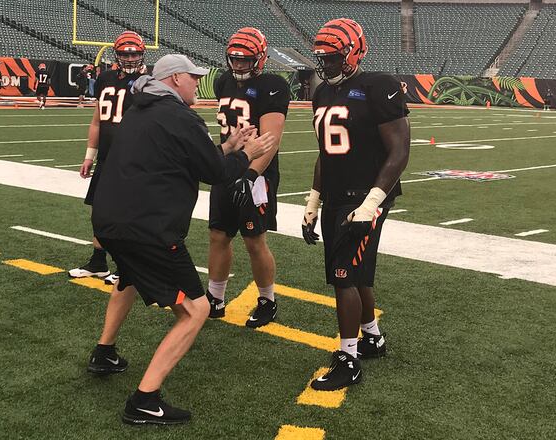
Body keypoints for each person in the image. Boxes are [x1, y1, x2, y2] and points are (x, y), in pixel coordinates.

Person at [87, 54, 276, 425]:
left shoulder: (142, 109)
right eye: (192, 78)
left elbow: (193, 159)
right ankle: (145, 398)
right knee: (196, 309)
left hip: (110, 221)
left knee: (127, 279)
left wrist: (231, 145)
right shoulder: (179, 116)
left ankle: (104, 352)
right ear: (174, 80)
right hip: (147, 228)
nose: (197, 84)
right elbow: (215, 173)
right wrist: (247, 154)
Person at [301, 18, 410, 391]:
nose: (326, 65)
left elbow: (399, 152)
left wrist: (372, 203)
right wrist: (314, 199)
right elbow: (325, 151)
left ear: (354, 51)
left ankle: (349, 358)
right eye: (322, 59)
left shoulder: (379, 86)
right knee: (353, 272)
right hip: (335, 194)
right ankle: (373, 337)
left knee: (344, 275)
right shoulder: (320, 93)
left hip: (367, 196)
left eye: (333, 58)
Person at [206, 27, 290, 328]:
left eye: (246, 60)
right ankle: (215, 297)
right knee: (218, 233)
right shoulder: (223, 80)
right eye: (235, 59)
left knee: (254, 239)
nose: (239, 65)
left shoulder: (273, 85)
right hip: (227, 166)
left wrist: (252, 174)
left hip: (257, 172)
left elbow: (271, 140)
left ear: (261, 58)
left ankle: (268, 300)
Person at [69, 31, 147, 284]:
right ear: (117, 54)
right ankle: (98, 261)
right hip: (106, 157)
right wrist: (89, 155)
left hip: (133, 160)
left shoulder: (149, 81)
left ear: (142, 54)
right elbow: (97, 120)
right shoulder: (105, 78)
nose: (130, 57)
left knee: (128, 213)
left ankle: (128, 266)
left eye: (134, 53)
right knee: (99, 211)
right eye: (125, 53)